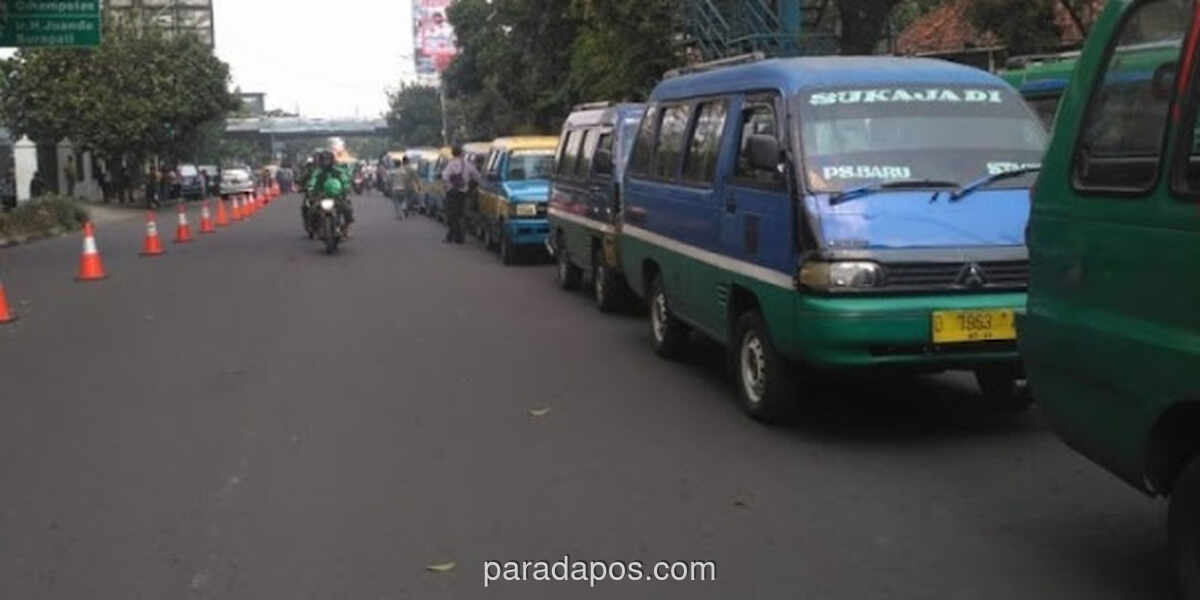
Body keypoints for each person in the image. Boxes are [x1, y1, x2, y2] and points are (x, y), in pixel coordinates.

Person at [305, 151, 353, 235]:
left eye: (327, 160)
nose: (325, 162)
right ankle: (314, 228)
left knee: (347, 209)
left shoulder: (338, 170)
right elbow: (313, 180)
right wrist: (310, 188)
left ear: (332, 160)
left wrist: (346, 186)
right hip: (321, 195)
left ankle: (345, 228)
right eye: (323, 160)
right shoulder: (318, 172)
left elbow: (344, 179)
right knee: (312, 211)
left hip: (337, 195)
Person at [441, 145, 480, 244]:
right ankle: (456, 236)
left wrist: (448, 185)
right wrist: (471, 185)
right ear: (461, 153)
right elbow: (476, 176)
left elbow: (445, 176)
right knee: (460, 215)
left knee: (452, 215)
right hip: (463, 192)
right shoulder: (467, 164)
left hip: (452, 192)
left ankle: (454, 236)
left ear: (453, 153)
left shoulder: (451, 164)